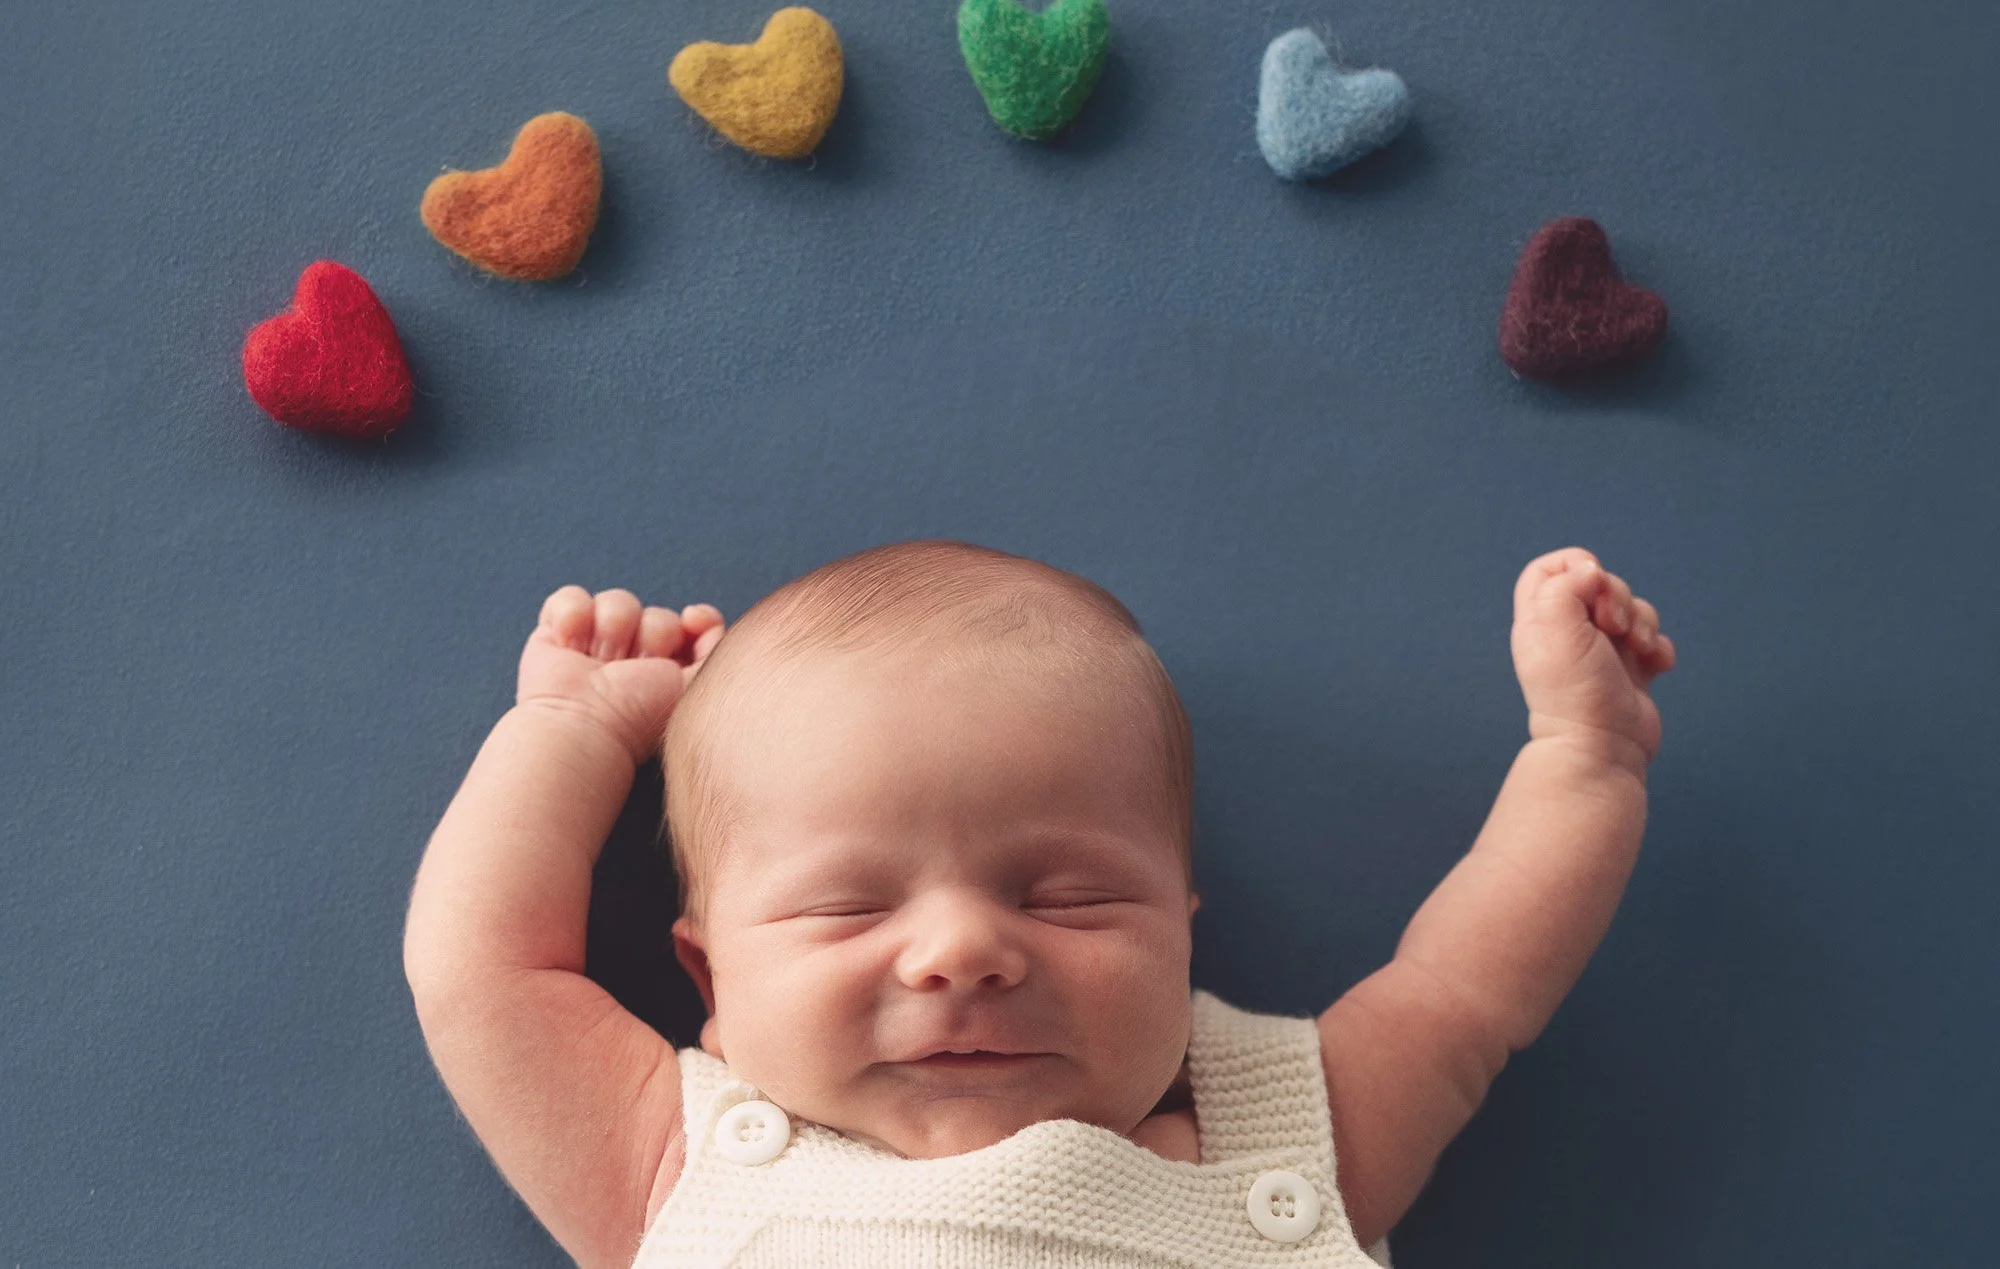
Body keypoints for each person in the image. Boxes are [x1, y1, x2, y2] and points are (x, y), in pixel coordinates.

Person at [404, 538, 1675, 1267]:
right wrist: (568, 731)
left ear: (1178, 926)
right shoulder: (673, 1167)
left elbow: (1463, 990)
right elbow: (487, 972)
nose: (961, 949)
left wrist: (1584, 757)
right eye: (847, 906)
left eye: (1068, 897)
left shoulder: (1278, 1137)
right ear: (709, 977)